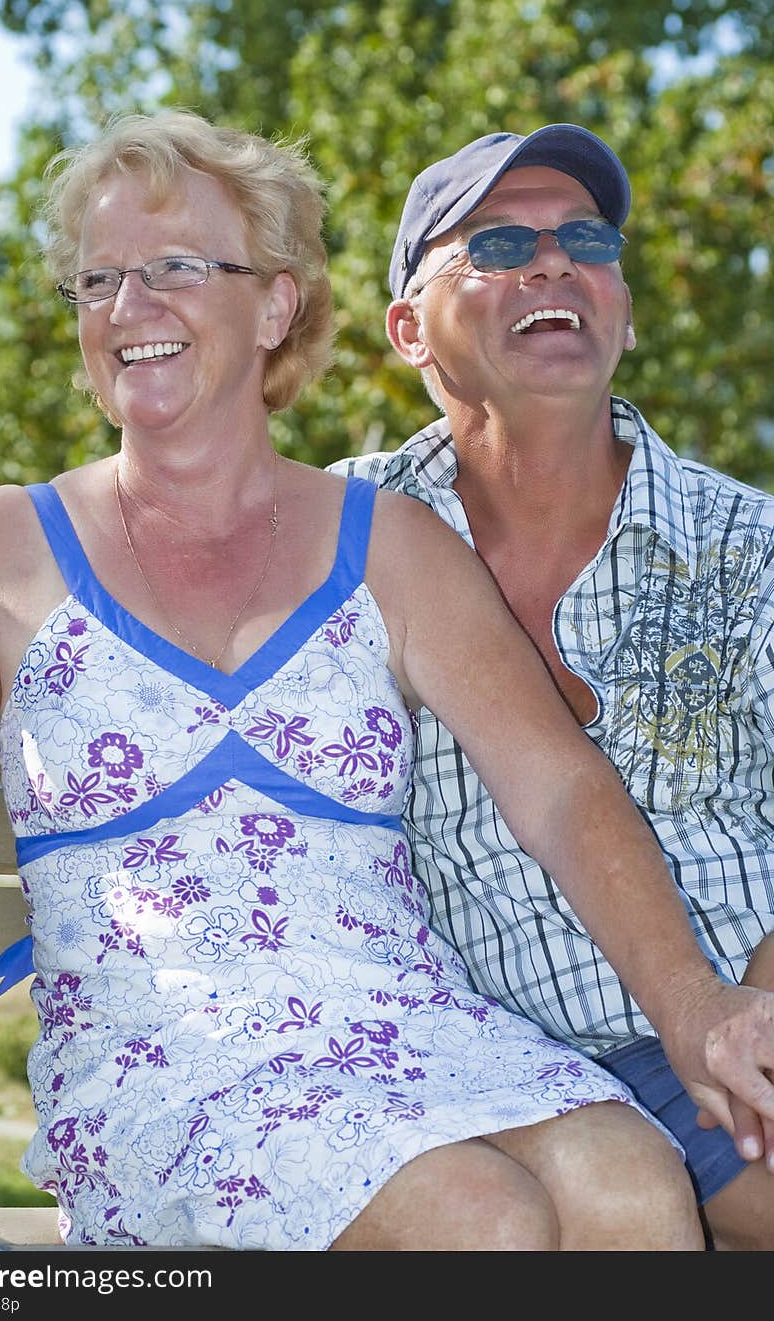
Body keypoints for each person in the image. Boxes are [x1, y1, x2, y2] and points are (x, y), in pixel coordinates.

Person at [0, 106, 724, 1253]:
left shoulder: (386, 543)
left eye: (175, 267)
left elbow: (561, 793)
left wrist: (693, 1006)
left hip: (410, 1031)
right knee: (478, 1220)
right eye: (98, 282)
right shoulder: (6, 549)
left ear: (275, 302)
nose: (130, 308)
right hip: (170, 1067)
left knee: (632, 1184)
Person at [323, 123, 774, 1250]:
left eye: (584, 237)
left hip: (732, 1021)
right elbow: (100, 541)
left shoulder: (750, 545)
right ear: (406, 330)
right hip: (492, 1077)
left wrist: (755, 1026)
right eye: (497, 242)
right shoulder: (331, 531)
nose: (552, 260)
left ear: (620, 308)